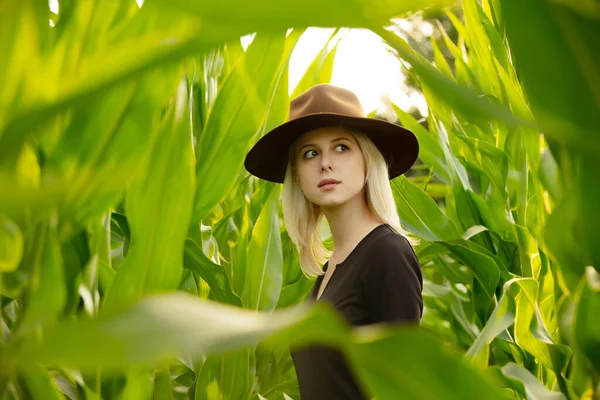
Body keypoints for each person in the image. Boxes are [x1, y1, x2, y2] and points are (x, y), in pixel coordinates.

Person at [244, 84, 423, 400]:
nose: (325, 163)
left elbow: (406, 387)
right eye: (310, 153)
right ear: (297, 175)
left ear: (367, 160)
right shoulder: (330, 269)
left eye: (341, 147)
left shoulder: (386, 254)